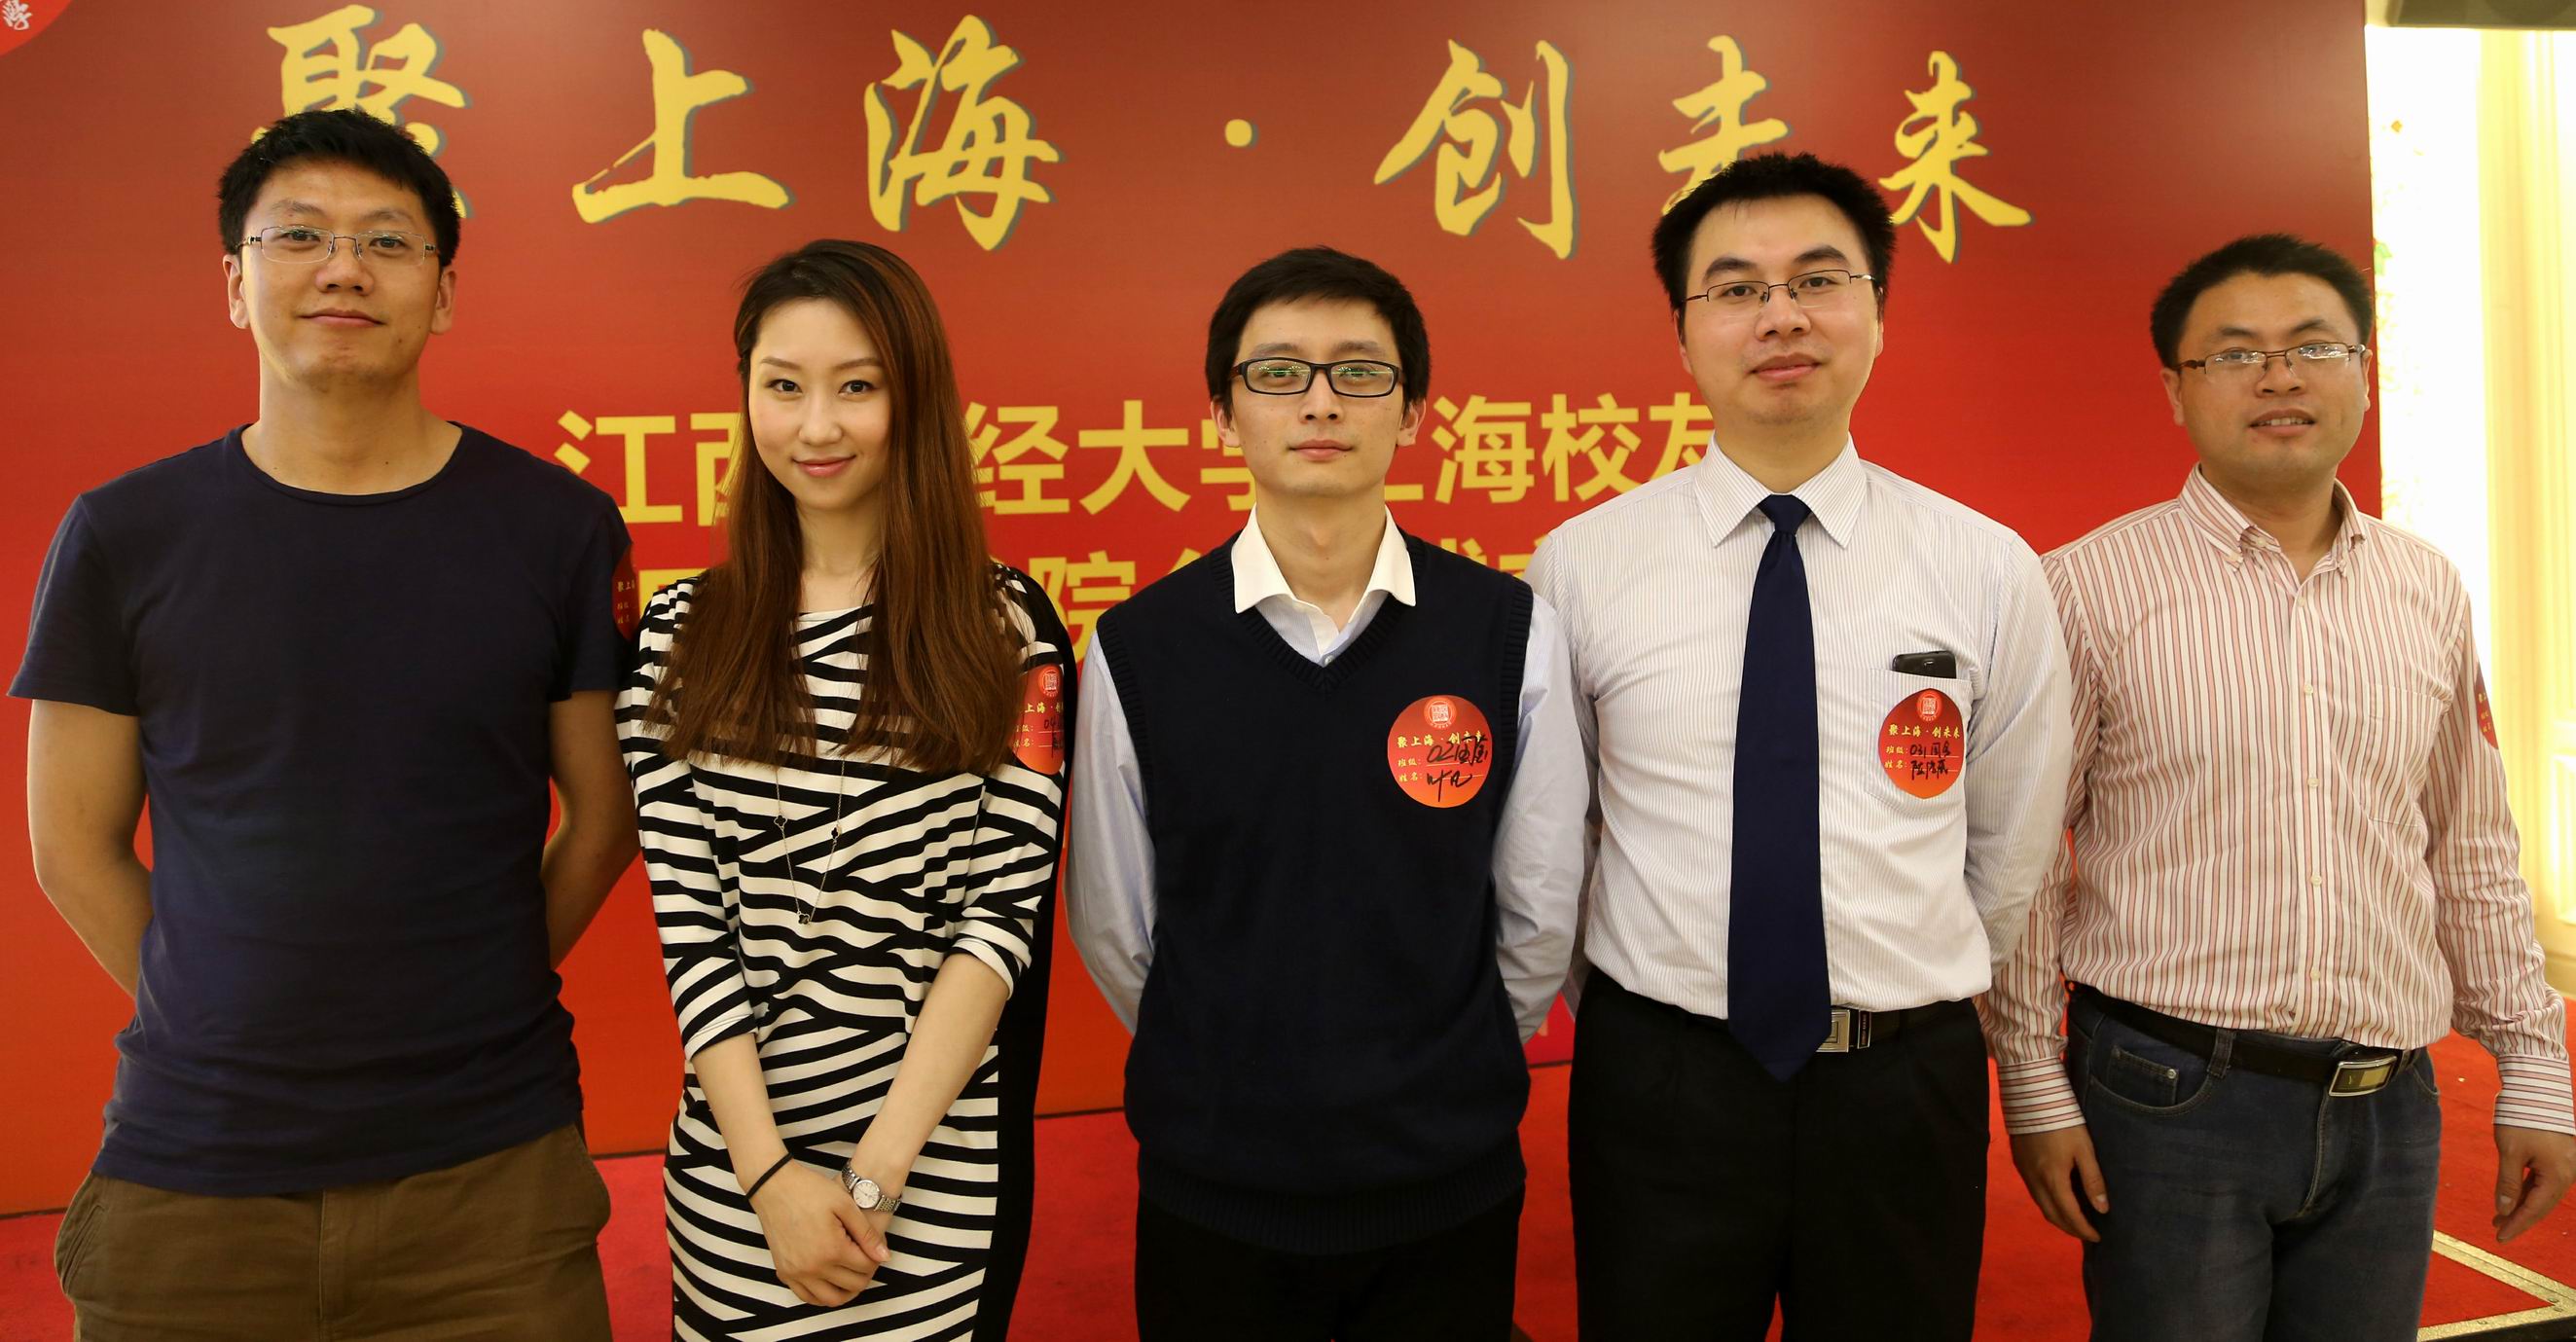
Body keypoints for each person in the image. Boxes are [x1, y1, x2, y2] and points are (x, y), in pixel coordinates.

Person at [18, 108, 635, 1340]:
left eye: (387, 242)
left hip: (491, 1178)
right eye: (297, 235)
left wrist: (481, 983)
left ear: (443, 292)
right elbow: (71, 846)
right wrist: (221, 1009)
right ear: (234, 283)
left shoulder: (556, 528)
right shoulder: (123, 535)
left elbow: (605, 814)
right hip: (194, 1173)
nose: (343, 269)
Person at [1984, 233, 2576, 1341]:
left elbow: (2468, 841)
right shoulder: (2084, 587)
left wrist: (2534, 1063)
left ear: (2362, 372)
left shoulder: (2424, 586)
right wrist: (2029, 1076)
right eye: (2233, 354)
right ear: (2175, 389)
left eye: (2312, 346)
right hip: (2165, 1091)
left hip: (2390, 1101)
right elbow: (2021, 856)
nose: (2278, 377)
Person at [1524, 151, 2074, 1340]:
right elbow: (1556, 830)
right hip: (1662, 1078)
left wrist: (1904, 975)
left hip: (1901, 1080)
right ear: (1683, 334)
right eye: (1736, 288)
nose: (1780, 316)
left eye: (1818, 280)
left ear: (1878, 311)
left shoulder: (1985, 565)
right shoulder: (1582, 563)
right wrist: (1646, 1006)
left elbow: (2009, 840)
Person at [1064, 246, 1586, 1341]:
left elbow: (1540, 906)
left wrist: (1442, 1063)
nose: (1318, 402)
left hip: (1445, 1181)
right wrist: (1230, 1064)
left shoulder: (1504, 629)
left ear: (1412, 413)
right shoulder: (1140, 647)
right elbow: (1117, 925)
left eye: (1358, 371)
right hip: (1216, 1189)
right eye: (1276, 373)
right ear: (1222, 414)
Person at [619, 238, 1071, 1340]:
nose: (816, 426)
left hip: (931, 1176)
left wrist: (874, 1177)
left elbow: (999, 923)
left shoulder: (1004, 626)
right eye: (783, 387)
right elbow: (693, 930)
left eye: (856, 387)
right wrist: (771, 1177)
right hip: (736, 1177)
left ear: (913, 399)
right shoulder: (681, 635)